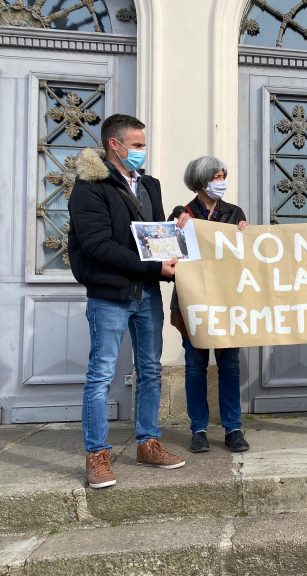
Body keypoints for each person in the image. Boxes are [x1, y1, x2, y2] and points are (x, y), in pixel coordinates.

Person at [68, 114, 185, 490]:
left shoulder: (150, 185)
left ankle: (147, 443)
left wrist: (176, 223)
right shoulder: (90, 186)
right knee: (101, 374)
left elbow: (148, 234)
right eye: (136, 145)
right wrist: (153, 267)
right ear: (114, 145)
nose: (142, 151)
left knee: (150, 369)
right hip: (110, 294)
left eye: (143, 144)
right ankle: (97, 454)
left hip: (147, 292)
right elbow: (97, 245)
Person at [170, 156, 250, 453]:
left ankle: (233, 428)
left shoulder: (234, 212)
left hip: (227, 302)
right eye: (216, 176)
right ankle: (199, 429)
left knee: (229, 365)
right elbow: (170, 257)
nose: (221, 181)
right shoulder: (182, 214)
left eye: (223, 175)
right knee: (195, 366)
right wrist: (179, 225)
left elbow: (244, 256)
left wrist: (247, 234)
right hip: (193, 303)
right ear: (202, 180)